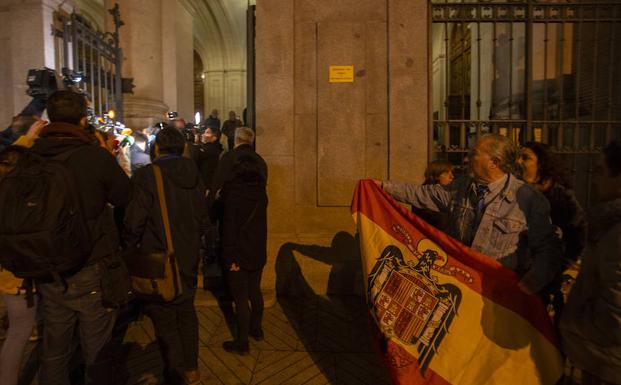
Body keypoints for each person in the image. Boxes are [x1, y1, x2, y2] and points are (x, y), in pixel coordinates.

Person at [28, 90, 131, 385]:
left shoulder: (31, 155)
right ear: (84, 119)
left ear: (49, 118)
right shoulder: (93, 156)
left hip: (46, 265)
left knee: (54, 349)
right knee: (96, 350)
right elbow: (124, 194)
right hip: (89, 262)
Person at [376, 134, 562, 294]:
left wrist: (531, 283)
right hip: (458, 286)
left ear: (494, 163)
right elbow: (421, 194)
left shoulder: (529, 200)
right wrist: (382, 187)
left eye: (474, 154)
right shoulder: (461, 187)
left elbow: (547, 247)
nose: (466, 159)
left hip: (498, 295)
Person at [124, 126, 208, 385]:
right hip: (189, 255)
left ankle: (174, 373)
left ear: (155, 149)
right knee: (186, 310)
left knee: (164, 317)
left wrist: (129, 248)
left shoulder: (149, 175)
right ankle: (191, 369)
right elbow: (203, 216)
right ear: (183, 148)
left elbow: (133, 221)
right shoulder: (194, 173)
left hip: (159, 258)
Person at [559, 140, 621, 385]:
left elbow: (617, 310)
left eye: (600, 171)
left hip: (607, 362)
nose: (595, 180)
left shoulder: (617, 233)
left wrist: (580, 329)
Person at [0, 117, 47, 385]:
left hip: (9, 268)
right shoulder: (22, 191)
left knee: (20, 328)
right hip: (18, 271)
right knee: (19, 331)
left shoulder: (4, 180)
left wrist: (27, 137)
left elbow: (11, 160)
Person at [518, 142, 587, 322]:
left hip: (547, 281)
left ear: (541, 163)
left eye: (526, 158)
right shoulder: (518, 191)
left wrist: (559, 267)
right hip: (521, 275)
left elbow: (578, 233)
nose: (519, 162)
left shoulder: (560, 196)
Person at [215, 128, 268, 356]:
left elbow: (228, 230)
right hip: (257, 249)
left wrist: (229, 258)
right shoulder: (261, 195)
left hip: (237, 252)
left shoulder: (232, 195)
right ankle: (257, 330)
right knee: (255, 291)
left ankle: (242, 341)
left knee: (240, 296)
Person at [414, 160, 454, 230]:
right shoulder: (426, 194)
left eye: (451, 172)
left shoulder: (445, 192)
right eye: (447, 173)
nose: (451, 176)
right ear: (436, 175)